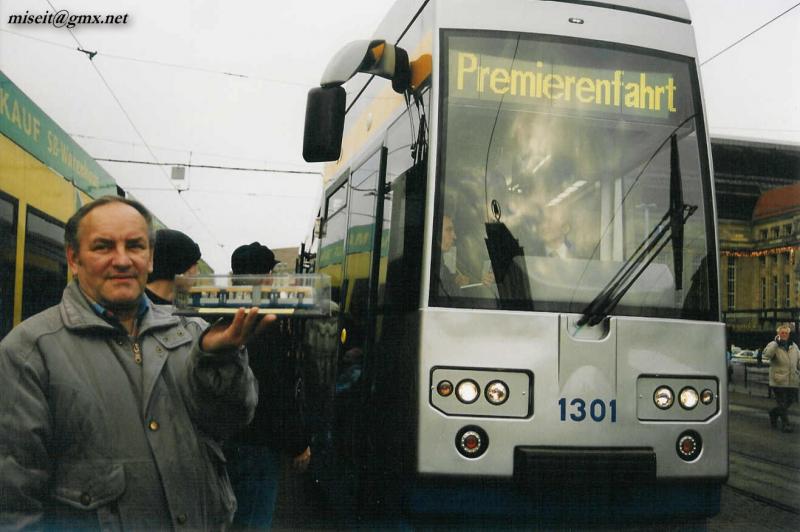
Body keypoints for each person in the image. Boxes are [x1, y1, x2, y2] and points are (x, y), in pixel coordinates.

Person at [0, 196, 274, 530]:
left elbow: (231, 420)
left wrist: (219, 359)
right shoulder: (29, 352)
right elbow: (14, 505)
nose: (122, 260)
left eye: (135, 246)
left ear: (150, 258)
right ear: (74, 258)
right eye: (103, 247)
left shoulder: (193, 333)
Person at [225, 242, 311, 530]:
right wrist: (298, 443)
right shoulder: (265, 317)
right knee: (253, 520)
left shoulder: (221, 310)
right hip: (258, 441)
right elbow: (275, 389)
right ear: (264, 277)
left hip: (225, 436)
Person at [145, 228, 202, 305]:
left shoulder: (132, 300)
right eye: (195, 263)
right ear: (182, 268)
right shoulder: (178, 313)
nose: (198, 273)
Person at [762, 323, 800, 433]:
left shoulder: (794, 346)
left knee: (790, 401)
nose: (784, 334)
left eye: (786, 333)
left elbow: (798, 361)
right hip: (778, 380)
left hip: (792, 380)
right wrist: (775, 344)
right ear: (778, 334)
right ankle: (786, 424)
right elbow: (767, 355)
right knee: (782, 403)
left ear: (789, 334)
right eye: (782, 333)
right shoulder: (773, 345)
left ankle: (774, 413)